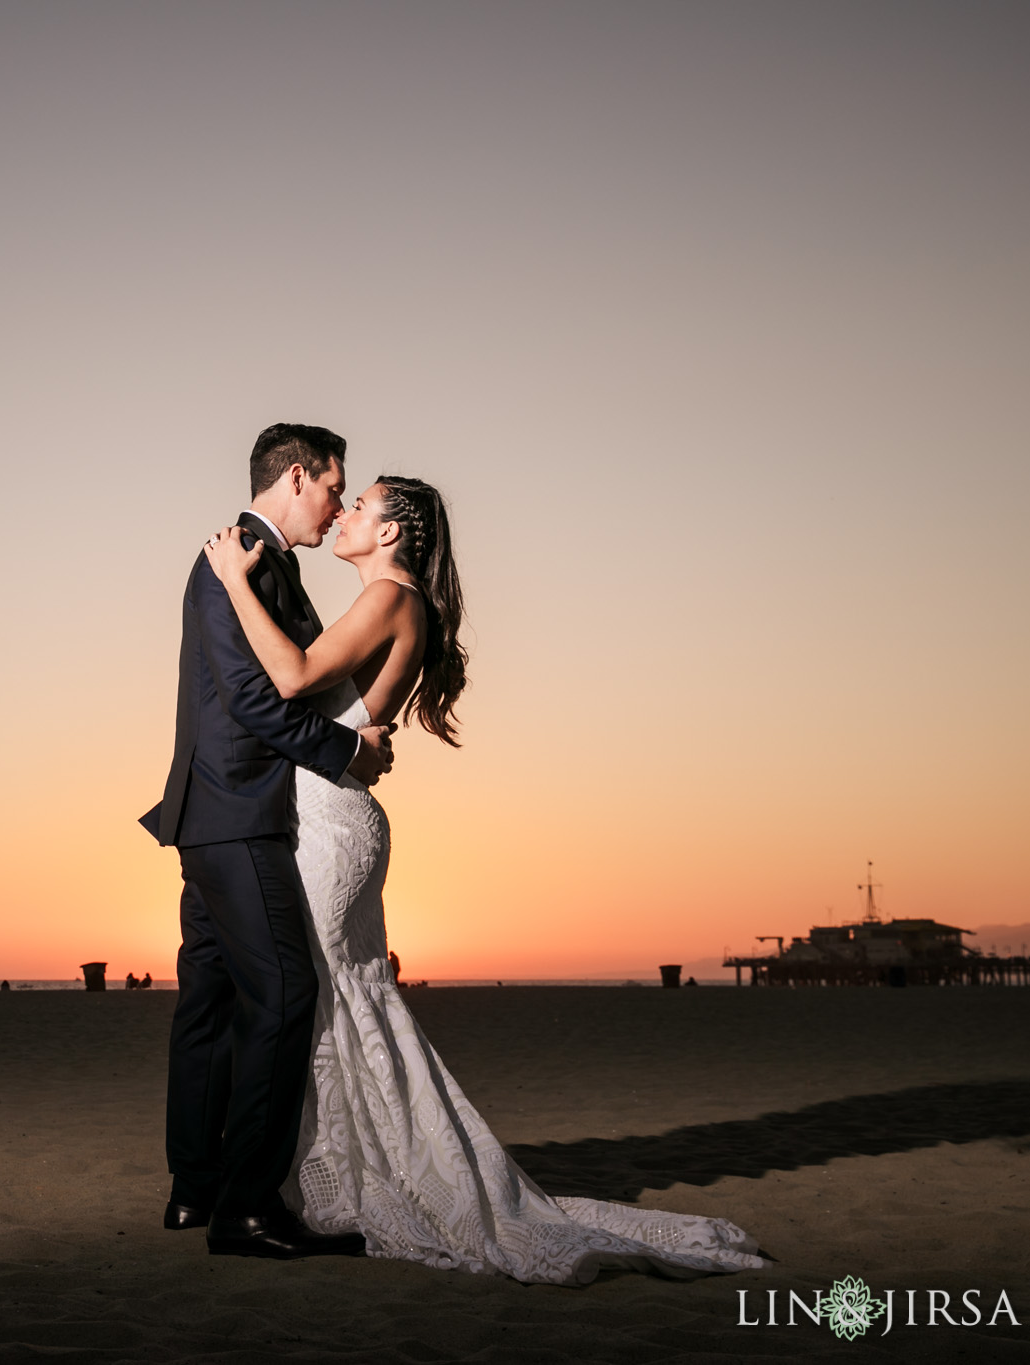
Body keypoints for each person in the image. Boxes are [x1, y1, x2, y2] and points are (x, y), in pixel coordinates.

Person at [200, 474, 762, 1283]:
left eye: (363, 505)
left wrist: (231, 580)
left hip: (330, 823)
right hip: (332, 813)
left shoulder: (390, 597)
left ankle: (338, 1178)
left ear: (391, 532)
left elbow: (290, 678)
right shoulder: (389, 601)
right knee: (332, 995)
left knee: (326, 996)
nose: (347, 509)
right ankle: (314, 1171)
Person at [140, 423, 394, 1260]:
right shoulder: (237, 557)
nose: (335, 504)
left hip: (212, 814)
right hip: (241, 811)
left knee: (209, 1003)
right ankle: (246, 1206)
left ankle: (195, 1189)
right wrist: (347, 751)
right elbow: (255, 698)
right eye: (332, 486)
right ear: (296, 476)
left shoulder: (254, 559)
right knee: (283, 995)